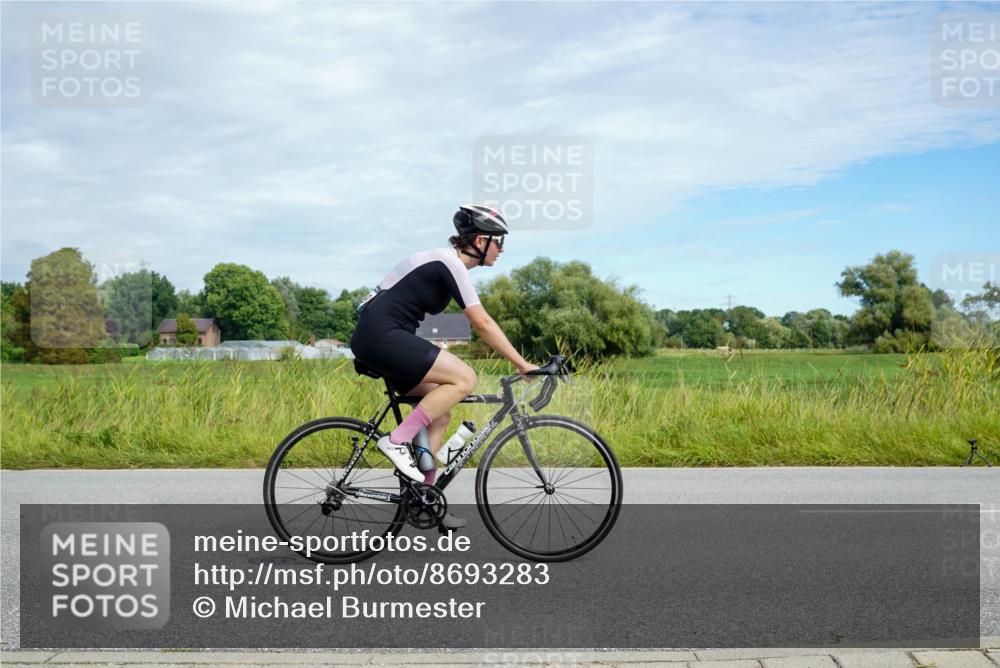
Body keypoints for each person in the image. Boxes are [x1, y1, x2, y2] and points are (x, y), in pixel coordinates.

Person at [350, 204, 539, 529]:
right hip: (381, 336)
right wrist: (522, 364)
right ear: (480, 241)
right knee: (465, 378)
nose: (502, 249)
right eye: (499, 241)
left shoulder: (444, 262)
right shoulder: (449, 262)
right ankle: (396, 441)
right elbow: (481, 322)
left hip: (380, 336)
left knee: (441, 411)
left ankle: (424, 500)